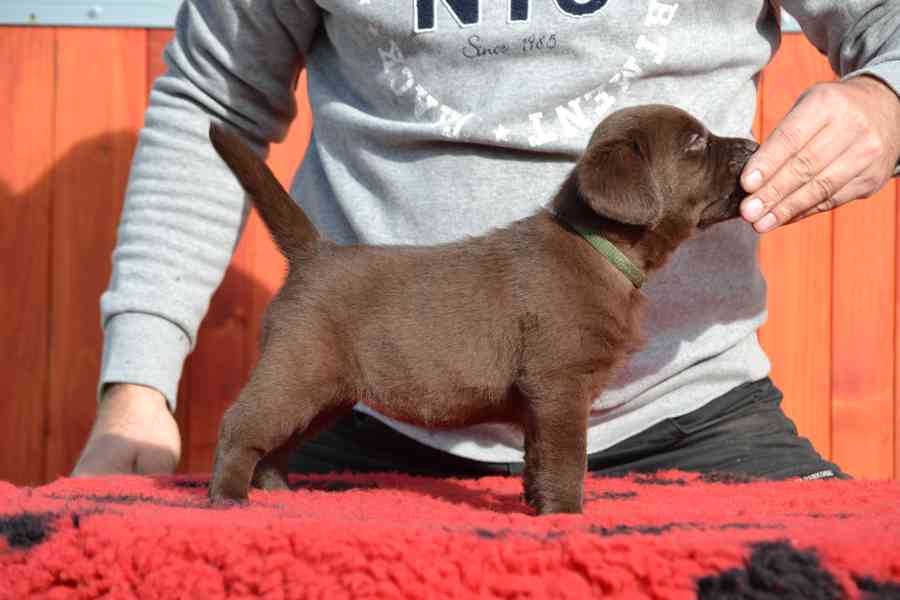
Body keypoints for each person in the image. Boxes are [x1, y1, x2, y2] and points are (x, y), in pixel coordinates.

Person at [73, 1, 900, 480]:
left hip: (693, 416)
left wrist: (884, 100)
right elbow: (212, 101)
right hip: (373, 415)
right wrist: (137, 389)